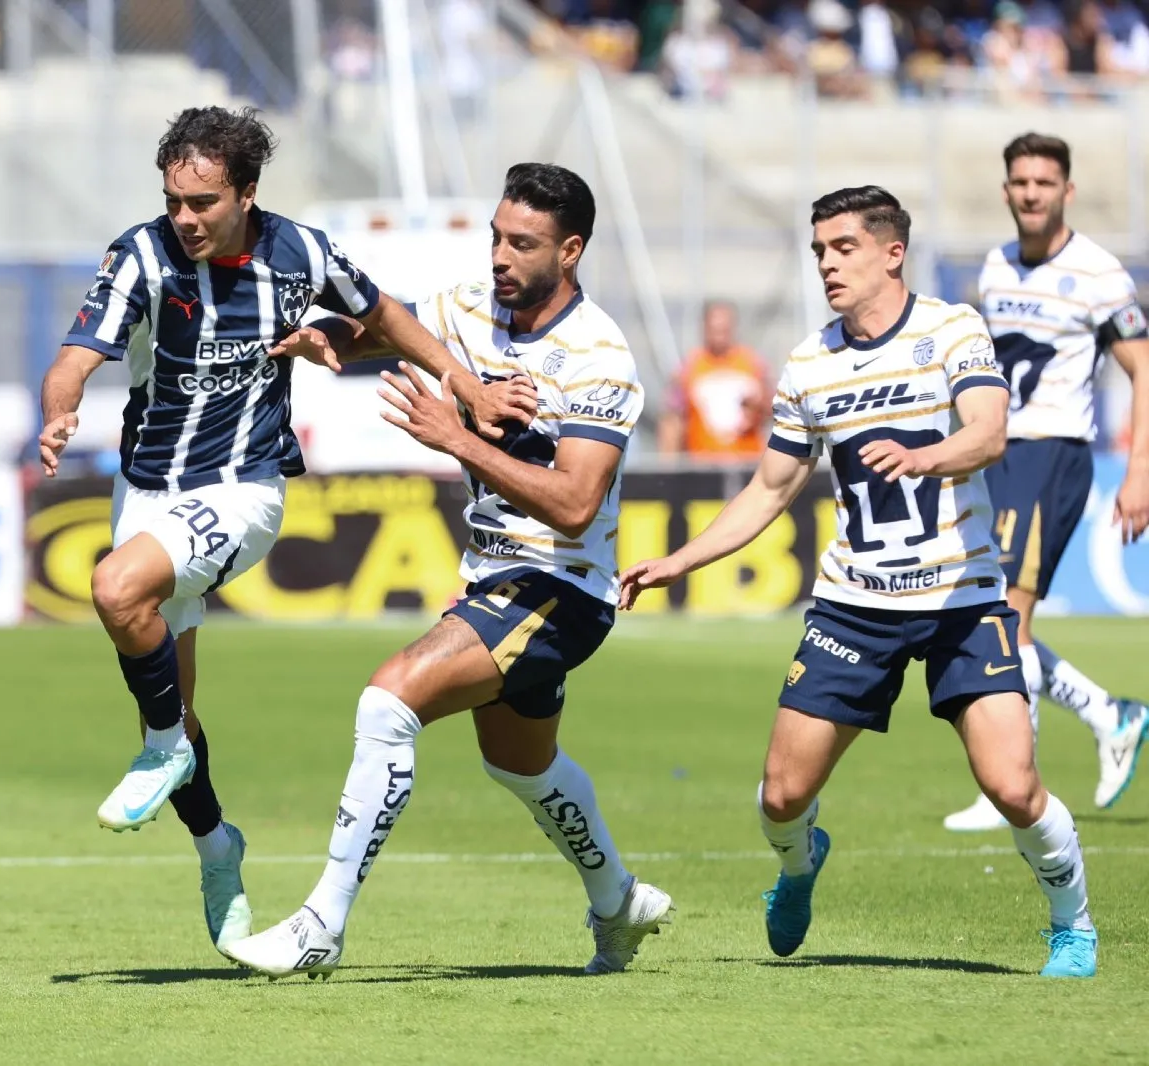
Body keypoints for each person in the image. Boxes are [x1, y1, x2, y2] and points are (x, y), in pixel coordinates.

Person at [36, 107, 536, 960]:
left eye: (202, 201)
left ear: (246, 193)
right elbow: (77, 356)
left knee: (117, 589)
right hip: (146, 492)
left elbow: (389, 316)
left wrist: (468, 388)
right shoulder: (140, 254)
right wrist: (60, 410)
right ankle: (215, 844)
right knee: (176, 703)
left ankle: (161, 754)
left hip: (244, 490)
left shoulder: (299, 251)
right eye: (173, 199)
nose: (184, 217)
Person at [621, 186, 1100, 979]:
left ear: (891, 251)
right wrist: (680, 560)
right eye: (818, 251)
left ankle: (1072, 924)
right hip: (855, 607)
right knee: (780, 798)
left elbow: (987, 432)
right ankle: (802, 868)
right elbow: (770, 490)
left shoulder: (953, 329)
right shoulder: (811, 362)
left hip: (963, 598)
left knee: (1013, 786)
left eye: (842, 247)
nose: (826, 264)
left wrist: (923, 457)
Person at [223, 163, 673, 981]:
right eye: (497, 235)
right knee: (518, 763)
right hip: (493, 580)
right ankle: (617, 899)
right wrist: (323, 341)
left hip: (562, 586)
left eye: (523, 243)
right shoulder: (468, 307)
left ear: (569, 251)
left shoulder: (600, 355)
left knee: (389, 699)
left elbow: (575, 504)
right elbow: (385, 333)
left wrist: (456, 439)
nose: (501, 255)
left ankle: (323, 922)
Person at [942, 133, 1149, 831]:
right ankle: (1109, 713)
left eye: (1044, 182)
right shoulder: (995, 270)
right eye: (1021, 182)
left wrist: (1141, 468)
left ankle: (1010, 786)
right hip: (996, 457)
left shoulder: (1098, 273)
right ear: (1006, 191)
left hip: (1050, 455)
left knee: (1004, 622)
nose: (1032, 193)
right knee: (987, 618)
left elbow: (1143, 368)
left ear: (1067, 191)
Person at [658, 299, 771, 459]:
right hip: (702, 465)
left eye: (724, 330)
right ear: (704, 328)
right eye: (714, 329)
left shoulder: (753, 363)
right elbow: (672, 419)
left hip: (747, 462)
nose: (719, 336)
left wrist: (758, 405)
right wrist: (668, 467)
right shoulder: (689, 367)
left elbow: (774, 410)